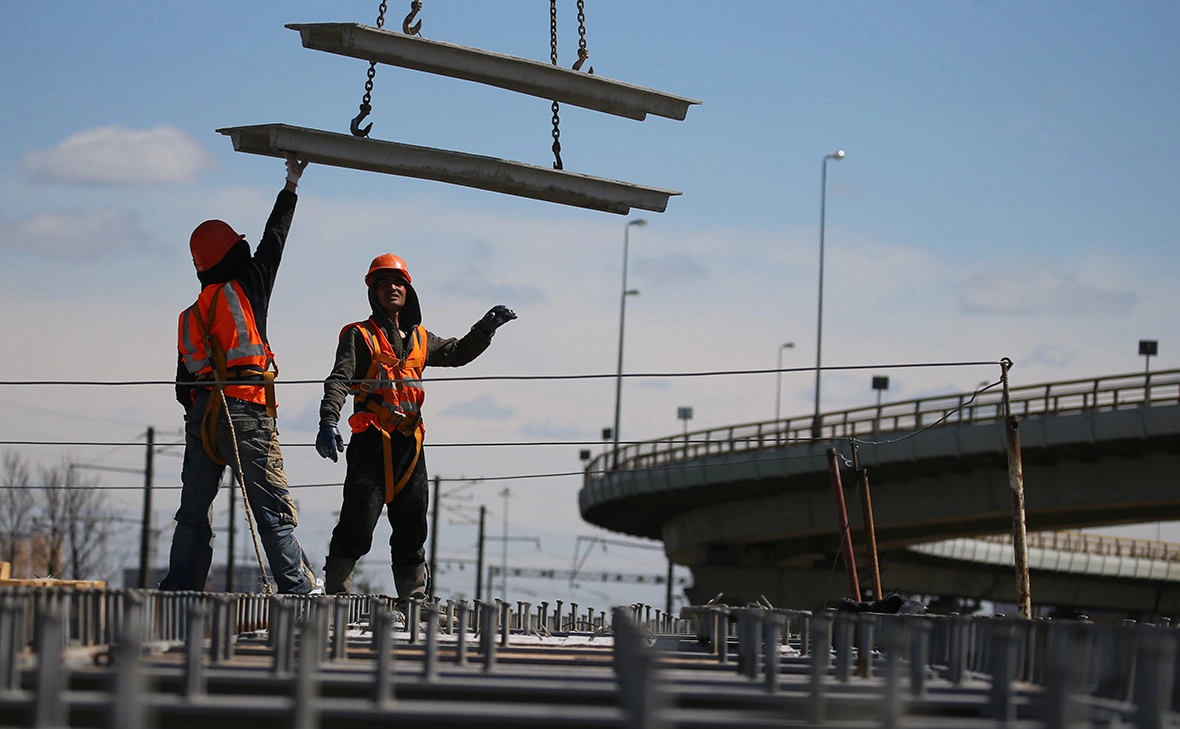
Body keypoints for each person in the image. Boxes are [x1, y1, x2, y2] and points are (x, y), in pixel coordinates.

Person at [315, 253, 516, 597]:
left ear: (408, 290)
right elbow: (339, 378)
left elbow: (455, 353)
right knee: (358, 521)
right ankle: (337, 592)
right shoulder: (359, 335)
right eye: (384, 283)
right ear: (373, 292)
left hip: (410, 446)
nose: (392, 288)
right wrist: (328, 418)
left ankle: (414, 597)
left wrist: (483, 331)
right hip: (371, 442)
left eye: (398, 283)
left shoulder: (420, 339)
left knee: (412, 525)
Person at [161, 154, 317, 595]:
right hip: (245, 408)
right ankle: (297, 589)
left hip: (204, 417)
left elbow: (182, 387)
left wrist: (207, 409)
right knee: (271, 507)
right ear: (233, 251)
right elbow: (275, 240)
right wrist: (290, 185)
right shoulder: (247, 286)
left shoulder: (192, 314)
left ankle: (180, 591)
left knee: (193, 511)